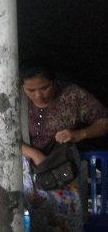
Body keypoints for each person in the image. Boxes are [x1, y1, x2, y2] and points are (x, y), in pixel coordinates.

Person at [20, 56, 108, 232]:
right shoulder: (14, 97)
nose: (38, 95)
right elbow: (0, 135)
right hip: (30, 171)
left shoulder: (72, 95)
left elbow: (104, 121)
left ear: (54, 81)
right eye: (31, 90)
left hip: (65, 169)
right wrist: (35, 154)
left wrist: (79, 134)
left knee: (68, 222)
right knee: (34, 220)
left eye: (44, 87)